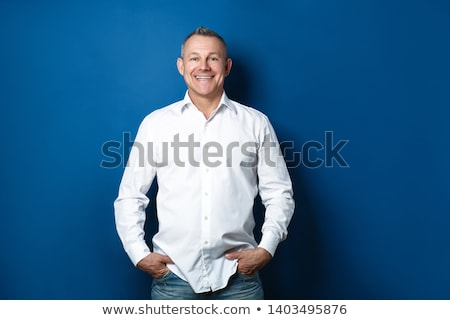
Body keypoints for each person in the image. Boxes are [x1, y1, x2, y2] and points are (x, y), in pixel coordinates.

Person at [114, 26, 295, 300]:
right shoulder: (156, 125)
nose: (204, 66)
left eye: (213, 58)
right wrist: (138, 254)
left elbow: (279, 192)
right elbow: (130, 196)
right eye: (194, 58)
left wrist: (266, 248)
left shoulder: (256, 124)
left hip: (240, 279)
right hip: (173, 278)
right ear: (181, 65)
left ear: (227, 65)